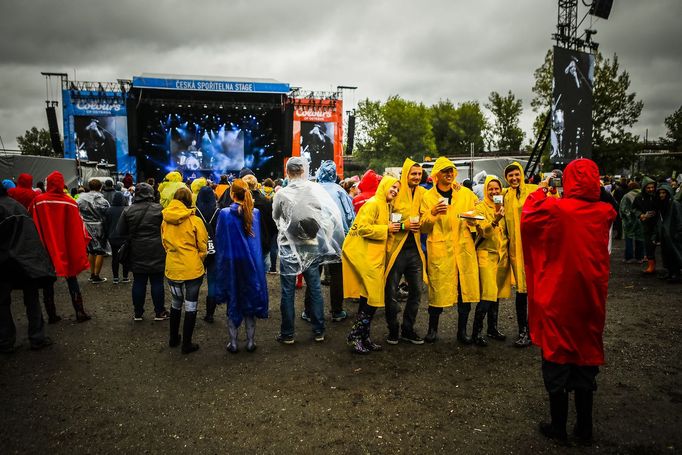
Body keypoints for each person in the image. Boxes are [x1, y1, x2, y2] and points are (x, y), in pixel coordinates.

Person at [520, 158, 616, 443]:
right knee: (586, 356)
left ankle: (559, 427)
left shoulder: (557, 209)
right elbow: (608, 202)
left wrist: (544, 187)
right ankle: (584, 429)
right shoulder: (604, 212)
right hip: (590, 299)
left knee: (557, 356)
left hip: (559, 297)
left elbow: (528, 214)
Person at [272, 157, 344, 344]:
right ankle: (319, 331)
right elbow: (327, 216)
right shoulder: (315, 191)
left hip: (289, 247)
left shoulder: (281, 194)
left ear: (287, 172)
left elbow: (276, 217)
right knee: (315, 288)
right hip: (311, 245)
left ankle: (288, 334)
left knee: (287, 291)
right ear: (304, 171)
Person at [420, 157, 480, 344]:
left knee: (465, 291)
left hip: (463, 248)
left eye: (451, 170)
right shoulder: (428, 197)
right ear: (436, 174)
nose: (448, 174)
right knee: (437, 290)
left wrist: (473, 222)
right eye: (444, 170)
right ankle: (432, 329)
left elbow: (479, 214)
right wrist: (433, 213)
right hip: (440, 249)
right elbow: (422, 226)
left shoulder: (466, 194)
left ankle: (462, 332)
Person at [344, 176, 400, 354]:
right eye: (393, 187)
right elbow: (362, 228)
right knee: (372, 300)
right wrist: (387, 229)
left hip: (375, 259)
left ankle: (363, 337)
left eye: (397, 189)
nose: (395, 191)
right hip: (368, 259)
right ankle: (355, 336)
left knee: (368, 299)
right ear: (383, 186)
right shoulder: (374, 203)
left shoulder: (384, 204)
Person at [215, 179, 269, 353]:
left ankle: (233, 342)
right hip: (251, 262)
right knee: (250, 297)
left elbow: (220, 239)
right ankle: (251, 341)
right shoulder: (256, 213)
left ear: (232, 194)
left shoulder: (224, 213)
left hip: (232, 262)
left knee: (233, 297)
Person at [29, 171, 91, 322]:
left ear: (48, 184)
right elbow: (79, 226)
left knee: (48, 280)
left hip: (46, 247)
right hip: (66, 246)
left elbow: (30, 220)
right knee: (71, 278)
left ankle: (51, 315)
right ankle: (80, 312)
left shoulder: (39, 201)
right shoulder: (70, 202)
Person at [0, 185, 55, 353]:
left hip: (4, 262)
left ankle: (5, 341)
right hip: (28, 261)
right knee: (32, 299)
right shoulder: (18, 206)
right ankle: (37, 337)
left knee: (2, 302)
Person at [383, 158, 427, 345]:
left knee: (417, 291)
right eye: (413, 174)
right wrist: (404, 225)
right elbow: (385, 219)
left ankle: (408, 329)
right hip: (396, 250)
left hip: (415, 249)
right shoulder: (396, 191)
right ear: (406, 174)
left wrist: (456, 187)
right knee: (390, 291)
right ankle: (393, 329)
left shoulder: (423, 192)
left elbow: (437, 195)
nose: (416, 177)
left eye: (419, 174)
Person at [306, 160, 355, 322]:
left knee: (313, 274)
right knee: (336, 275)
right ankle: (337, 311)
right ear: (334, 174)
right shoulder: (340, 191)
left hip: (315, 239)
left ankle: (309, 311)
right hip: (338, 239)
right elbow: (350, 216)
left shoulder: (313, 190)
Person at [161, 186, 208, 354]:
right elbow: (203, 247)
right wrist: (198, 259)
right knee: (191, 305)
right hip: (192, 269)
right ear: (190, 200)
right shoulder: (195, 220)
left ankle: (173, 338)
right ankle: (186, 344)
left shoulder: (165, 219)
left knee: (175, 303)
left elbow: (164, 243)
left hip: (173, 267)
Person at [116, 183, 168, 321]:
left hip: (136, 250)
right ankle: (159, 312)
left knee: (139, 282)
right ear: (151, 193)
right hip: (157, 249)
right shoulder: (160, 209)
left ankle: (138, 313)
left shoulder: (128, 210)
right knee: (157, 282)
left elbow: (120, 231)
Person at [501, 162, 538, 347]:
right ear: (506, 179)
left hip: (533, 250)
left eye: (516, 175)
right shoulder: (505, 195)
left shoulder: (533, 191)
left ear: (521, 174)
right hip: (515, 250)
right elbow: (487, 199)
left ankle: (536, 330)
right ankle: (524, 330)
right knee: (521, 292)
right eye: (510, 176)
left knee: (536, 291)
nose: (514, 178)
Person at [473, 175, 511, 345]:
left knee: (496, 294)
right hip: (486, 254)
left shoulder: (505, 206)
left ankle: (492, 329)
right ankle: (476, 332)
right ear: (485, 190)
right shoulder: (480, 208)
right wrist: (495, 219)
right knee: (487, 294)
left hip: (501, 256)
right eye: (490, 189)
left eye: (497, 189)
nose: (494, 191)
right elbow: (483, 232)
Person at [195, 186, 220, 322]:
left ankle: (192, 308)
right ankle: (210, 314)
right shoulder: (218, 211)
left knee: (195, 282)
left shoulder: (195, 212)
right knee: (213, 283)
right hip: (214, 251)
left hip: (198, 250)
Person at [78, 178, 110, 284]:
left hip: (86, 226)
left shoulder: (81, 199)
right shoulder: (102, 200)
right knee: (100, 251)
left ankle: (92, 274)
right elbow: (107, 214)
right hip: (99, 226)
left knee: (91, 250)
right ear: (100, 187)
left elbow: (77, 210)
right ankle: (96, 275)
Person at [656, 183, 682, 283]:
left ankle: (676, 274)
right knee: (667, 254)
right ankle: (671, 273)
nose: (661, 195)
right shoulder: (662, 204)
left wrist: (678, 233)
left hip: (673, 234)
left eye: (664, 193)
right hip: (666, 234)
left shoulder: (675, 204)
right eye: (660, 193)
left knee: (675, 254)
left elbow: (679, 219)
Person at [632, 177, 659, 274]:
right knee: (648, 245)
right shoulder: (639, 197)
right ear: (644, 188)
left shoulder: (658, 195)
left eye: (652, 187)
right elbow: (634, 208)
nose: (651, 189)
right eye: (648, 188)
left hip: (659, 224)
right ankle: (651, 266)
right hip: (646, 224)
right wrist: (641, 215)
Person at [105, 192, 130, 284]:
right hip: (125, 237)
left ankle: (115, 278)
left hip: (113, 237)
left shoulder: (108, 210)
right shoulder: (126, 209)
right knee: (126, 256)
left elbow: (106, 224)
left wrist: (107, 235)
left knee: (115, 257)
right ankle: (125, 277)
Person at [619, 182, 645, 264]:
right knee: (640, 238)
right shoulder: (643, 194)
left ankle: (629, 257)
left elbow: (623, 208)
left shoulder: (627, 196)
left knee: (629, 238)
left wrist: (625, 218)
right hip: (641, 219)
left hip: (629, 220)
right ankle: (640, 257)